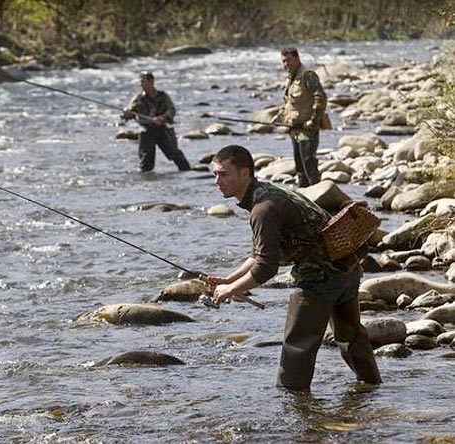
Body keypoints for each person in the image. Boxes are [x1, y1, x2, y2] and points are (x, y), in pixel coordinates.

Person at [204, 144, 381, 391]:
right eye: (214, 174)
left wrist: (230, 290)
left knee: (297, 347)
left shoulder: (262, 209)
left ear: (245, 174)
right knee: (351, 337)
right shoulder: (265, 195)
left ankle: (293, 411)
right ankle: (371, 389)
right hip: (345, 266)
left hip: (319, 278)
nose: (217, 181)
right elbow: (261, 253)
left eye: (223, 174)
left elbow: (266, 267)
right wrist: (229, 280)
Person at [272, 47, 327, 188]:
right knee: (299, 166)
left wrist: (313, 120)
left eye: (289, 60)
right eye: (284, 61)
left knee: (309, 163)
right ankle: (304, 195)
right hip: (294, 129)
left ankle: (318, 196)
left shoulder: (308, 75)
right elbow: (289, 103)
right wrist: (279, 116)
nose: (286, 64)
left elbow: (320, 97)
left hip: (308, 129)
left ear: (297, 58)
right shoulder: (291, 78)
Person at [121, 71, 191, 172]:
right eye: (140, 82)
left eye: (143, 82)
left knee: (175, 155)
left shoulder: (163, 96)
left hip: (162, 129)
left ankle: (188, 174)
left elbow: (172, 110)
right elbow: (129, 112)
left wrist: (162, 118)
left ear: (151, 82)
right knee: (146, 162)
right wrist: (126, 113)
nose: (141, 85)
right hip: (146, 131)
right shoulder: (138, 99)